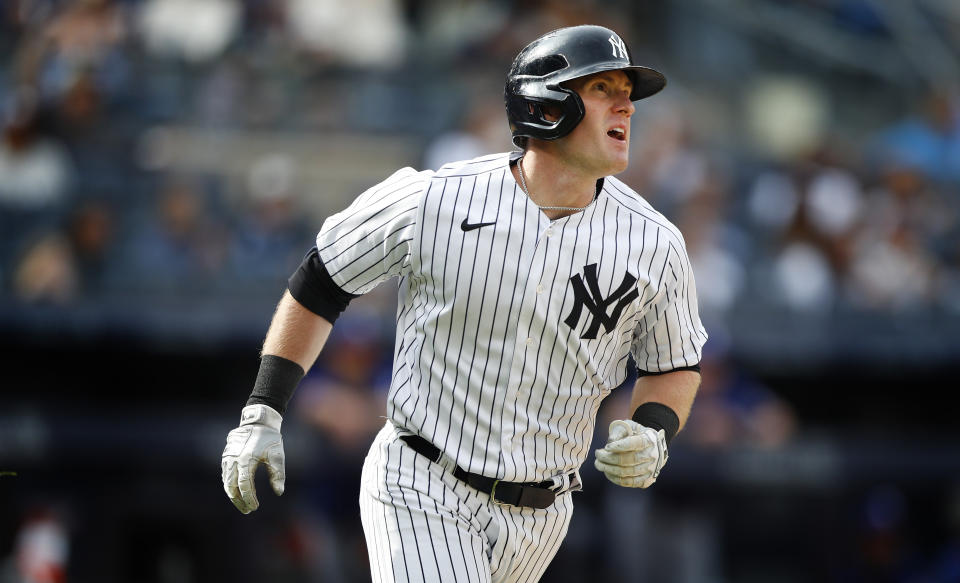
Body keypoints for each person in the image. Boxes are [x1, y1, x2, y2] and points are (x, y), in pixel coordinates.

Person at [221, 24, 707, 582]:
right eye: (602, 88)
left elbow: (674, 363)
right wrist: (263, 410)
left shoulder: (656, 242)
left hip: (543, 514)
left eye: (627, 91)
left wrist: (652, 429)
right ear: (544, 105)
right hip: (423, 482)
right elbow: (320, 282)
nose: (627, 104)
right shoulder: (434, 198)